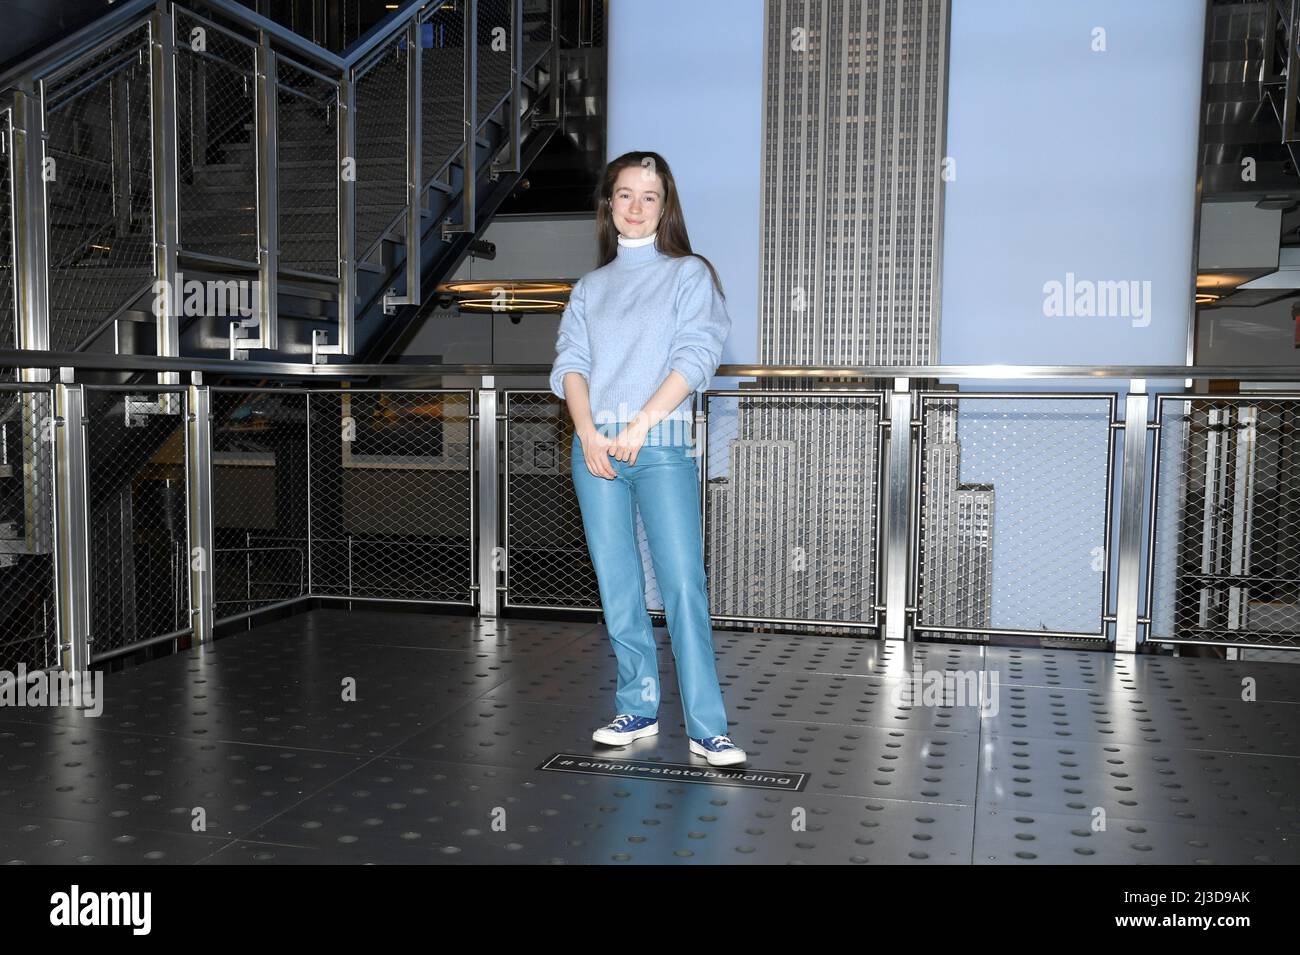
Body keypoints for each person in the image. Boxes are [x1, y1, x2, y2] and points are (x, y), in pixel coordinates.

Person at [548, 150, 745, 768]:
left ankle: (707, 726)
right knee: (618, 584)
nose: (636, 207)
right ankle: (636, 705)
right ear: (609, 204)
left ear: (666, 207)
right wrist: (588, 434)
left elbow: (695, 358)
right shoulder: (590, 287)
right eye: (625, 195)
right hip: (596, 447)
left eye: (649, 196)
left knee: (685, 584)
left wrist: (637, 426)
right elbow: (570, 365)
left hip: (659, 444)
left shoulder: (689, 275)